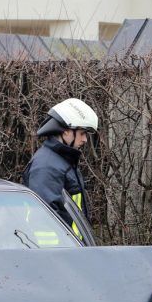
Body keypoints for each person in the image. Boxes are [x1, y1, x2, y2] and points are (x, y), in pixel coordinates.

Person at [22, 98, 98, 240]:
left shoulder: (62, 162)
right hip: (55, 254)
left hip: (69, 251)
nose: (85, 140)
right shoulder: (46, 166)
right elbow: (44, 220)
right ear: (65, 132)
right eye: (82, 133)